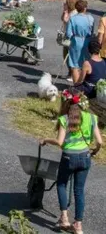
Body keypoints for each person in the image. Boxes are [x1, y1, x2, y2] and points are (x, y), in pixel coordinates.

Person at [40, 90, 102, 232]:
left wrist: (45, 140)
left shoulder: (65, 119)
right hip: (85, 157)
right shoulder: (92, 117)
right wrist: (95, 150)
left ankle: (64, 218)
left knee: (62, 184)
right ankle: (78, 225)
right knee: (79, 190)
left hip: (68, 158)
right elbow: (100, 142)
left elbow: (60, 142)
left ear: (66, 103)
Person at [66, 0, 95, 84]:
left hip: (76, 41)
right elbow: (92, 32)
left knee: (75, 64)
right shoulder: (90, 18)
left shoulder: (73, 19)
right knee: (86, 62)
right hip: (87, 41)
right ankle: (85, 84)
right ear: (85, 8)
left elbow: (68, 34)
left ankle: (76, 86)